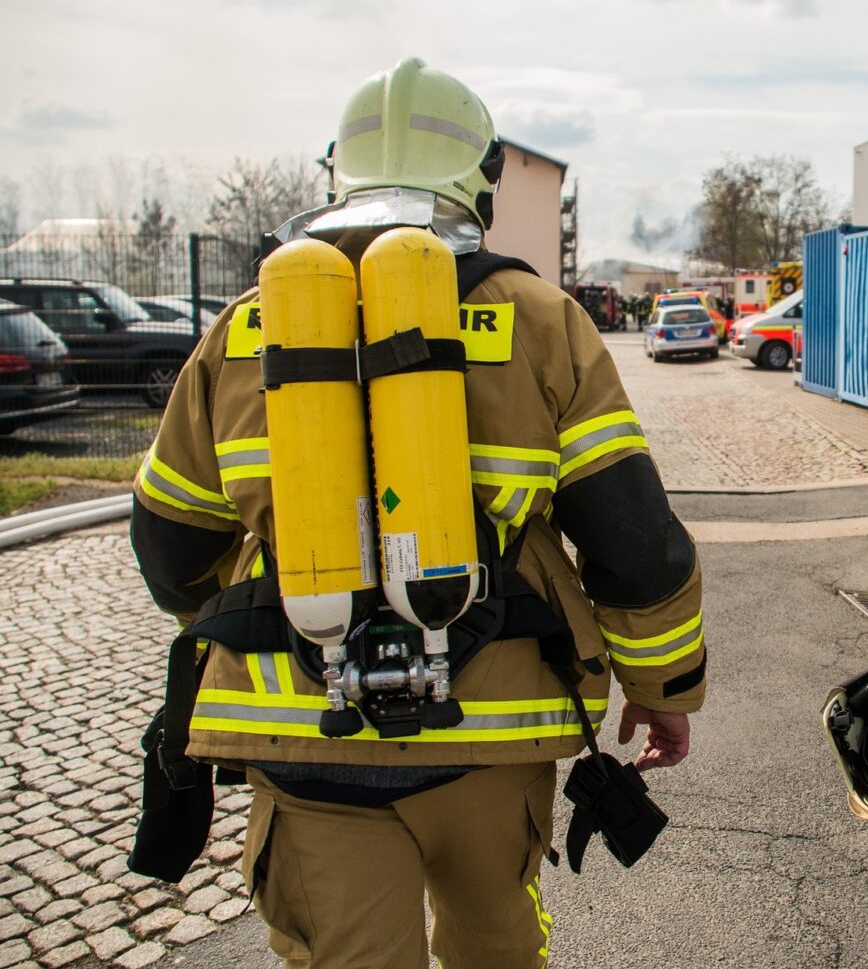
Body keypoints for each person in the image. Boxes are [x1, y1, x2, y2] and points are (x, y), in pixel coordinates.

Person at [130, 58, 706, 968]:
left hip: (306, 741)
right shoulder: (542, 319)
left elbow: (170, 548)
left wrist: (265, 612)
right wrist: (661, 690)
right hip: (490, 732)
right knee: (496, 945)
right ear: (478, 180)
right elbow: (634, 545)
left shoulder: (243, 329)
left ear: (337, 175)